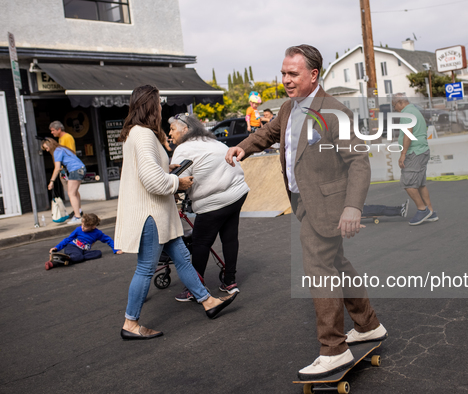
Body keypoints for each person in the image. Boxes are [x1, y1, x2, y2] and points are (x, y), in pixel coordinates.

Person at [226, 45, 387, 380]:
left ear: (313, 75)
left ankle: (334, 349)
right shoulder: (288, 108)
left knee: (319, 268)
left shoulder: (333, 111)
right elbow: (267, 134)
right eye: (283, 73)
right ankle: (368, 324)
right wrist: (244, 146)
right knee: (336, 265)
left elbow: (358, 162)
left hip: (329, 205)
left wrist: (353, 207)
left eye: (292, 73)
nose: (285, 79)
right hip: (303, 204)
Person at [114, 85, 237, 340]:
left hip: (158, 214)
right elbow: (151, 181)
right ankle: (130, 323)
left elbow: (145, 171)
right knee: (146, 269)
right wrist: (176, 182)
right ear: (150, 105)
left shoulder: (135, 134)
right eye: (158, 103)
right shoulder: (145, 135)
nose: (161, 107)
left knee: (182, 257)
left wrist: (165, 167)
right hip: (152, 215)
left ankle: (207, 301)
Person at [168, 113, 250, 298]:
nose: (169, 134)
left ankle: (194, 288)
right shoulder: (212, 141)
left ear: (186, 129)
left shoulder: (183, 149)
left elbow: (179, 181)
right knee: (229, 238)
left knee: (201, 242)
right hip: (237, 193)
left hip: (213, 200)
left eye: (173, 129)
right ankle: (230, 281)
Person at [393, 93, 438, 225]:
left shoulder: (407, 114)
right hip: (422, 151)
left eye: (394, 105)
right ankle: (430, 212)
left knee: (408, 184)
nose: (394, 108)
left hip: (414, 153)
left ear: (400, 103)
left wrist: (403, 154)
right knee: (420, 184)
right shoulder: (415, 111)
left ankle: (422, 210)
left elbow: (408, 134)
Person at [46, 213, 122, 270]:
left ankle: (69, 258)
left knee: (98, 253)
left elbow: (108, 240)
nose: (82, 227)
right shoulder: (78, 230)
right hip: (72, 247)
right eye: (82, 224)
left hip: (83, 251)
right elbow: (67, 239)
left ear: (93, 226)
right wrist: (56, 247)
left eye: (85, 226)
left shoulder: (97, 233)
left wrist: (115, 249)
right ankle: (54, 263)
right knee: (78, 257)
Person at [42, 138, 85, 224]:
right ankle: (78, 212)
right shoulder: (62, 148)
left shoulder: (57, 151)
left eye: (46, 148)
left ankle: (77, 217)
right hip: (81, 168)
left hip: (75, 170)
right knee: (75, 193)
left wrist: (51, 181)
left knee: (71, 193)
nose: (47, 150)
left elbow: (57, 168)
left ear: (50, 145)